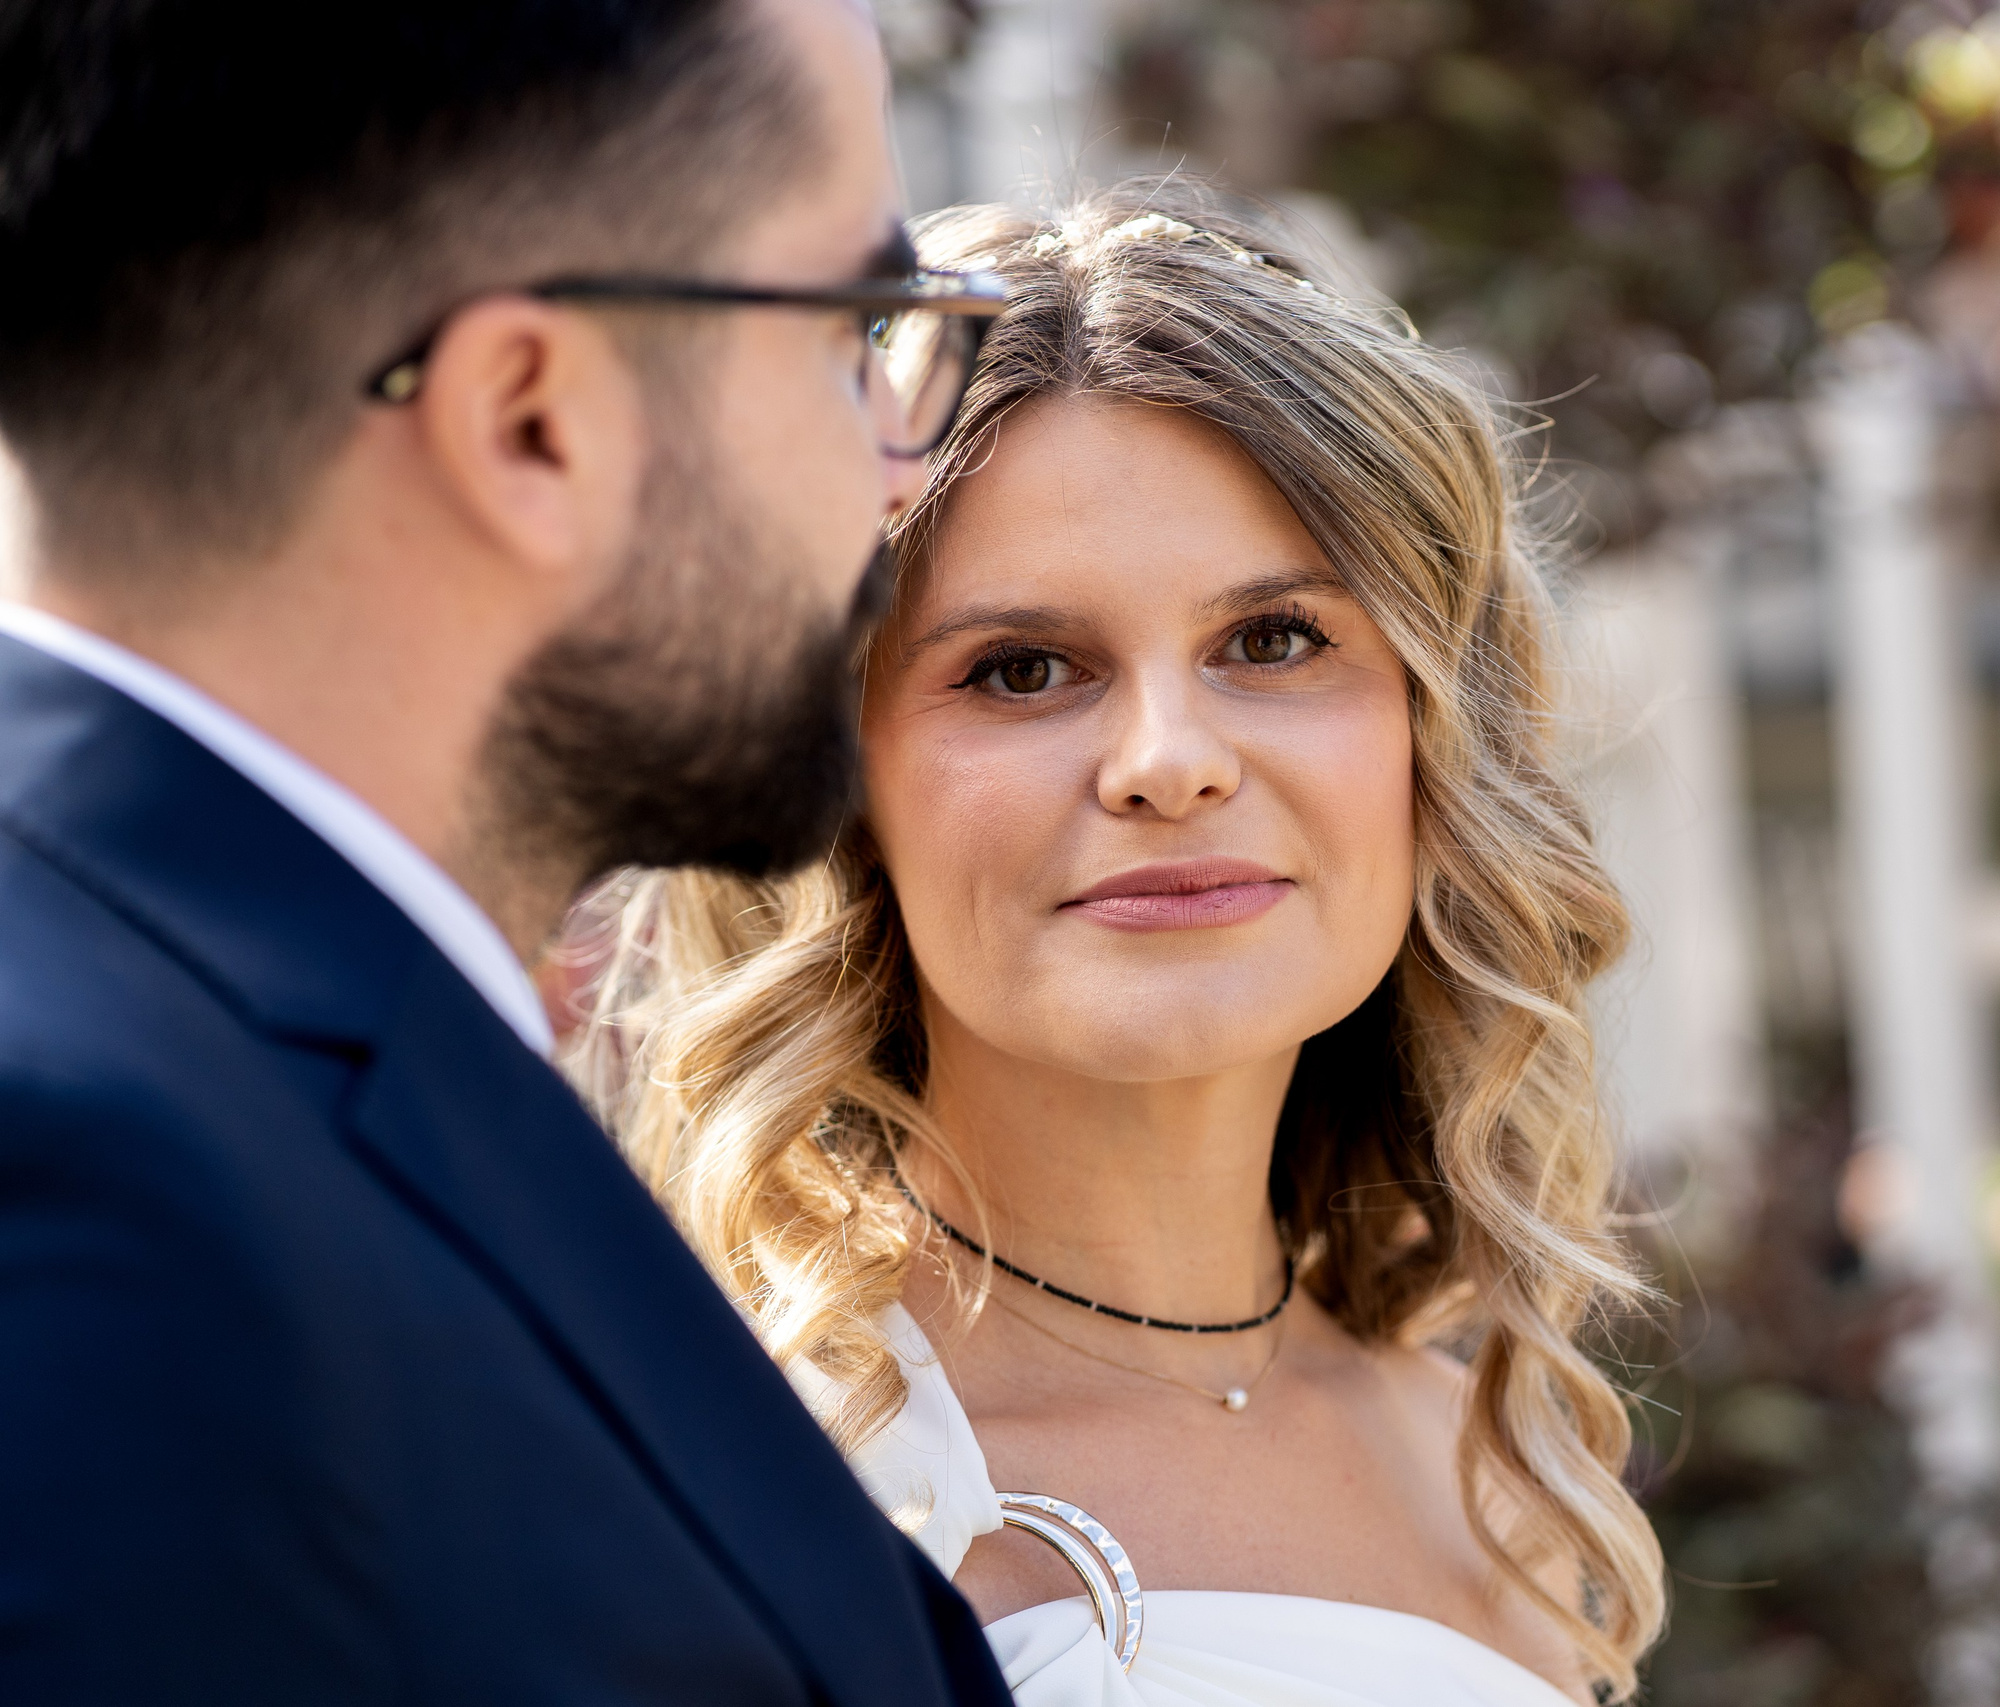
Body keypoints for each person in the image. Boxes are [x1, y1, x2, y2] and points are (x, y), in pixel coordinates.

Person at [0, 2, 1008, 1701]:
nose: (895, 475)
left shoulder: (233, 1057)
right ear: (535, 420)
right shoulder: (86, 1198)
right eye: (857, 335)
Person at [576, 182, 1669, 1705]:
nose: (1170, 759)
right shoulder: (737, 1488)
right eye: (1021, 669)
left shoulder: (1488, 1459)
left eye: (1274, 642)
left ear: (1431, 735)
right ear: (841, 787)